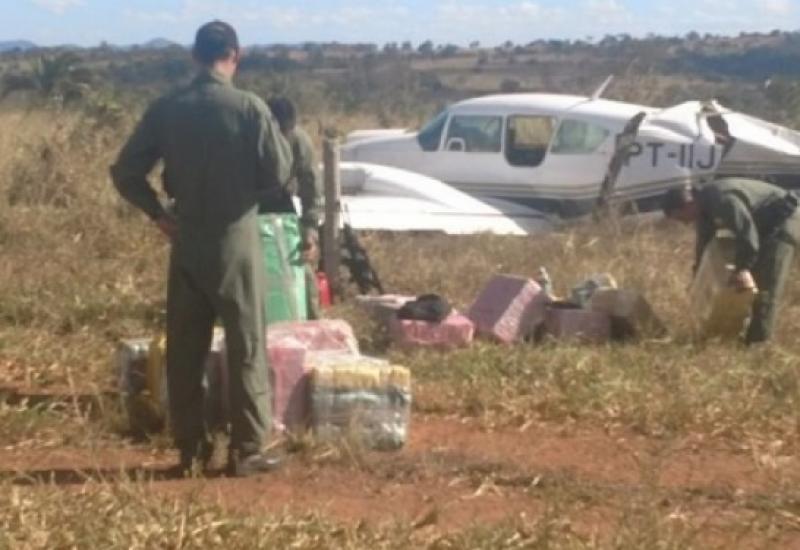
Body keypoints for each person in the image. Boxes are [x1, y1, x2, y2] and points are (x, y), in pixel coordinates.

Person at [110, 21, 293, 476]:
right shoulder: (249, 108)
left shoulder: (168, 109)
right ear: (236, 54)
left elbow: (125, 171)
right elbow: (280, 171)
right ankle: (247, 448)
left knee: (186, 348)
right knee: (246, 342)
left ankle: (190, 450)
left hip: (185, 237)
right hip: (237, 238)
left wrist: (158, 213)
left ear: (194, 56)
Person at [662, 177, 800, 344]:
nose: (684, 223)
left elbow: (748, 236)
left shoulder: (722, 199)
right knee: (749, 283)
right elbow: (703, 248)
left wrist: (742, 268)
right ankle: (746, 335)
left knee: (766, 286)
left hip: (784, 222)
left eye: (681, 218)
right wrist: (697, 278)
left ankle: (758, 344)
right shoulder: (703, 210)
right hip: (764, 227)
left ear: (689, 203)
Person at [264, 96, 324, 319]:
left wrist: (310, 231)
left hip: (282, 206)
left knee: (302, 268)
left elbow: (311, 187)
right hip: (249, 209)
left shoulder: (299, 140)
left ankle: (312, 323)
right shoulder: (244, 138)